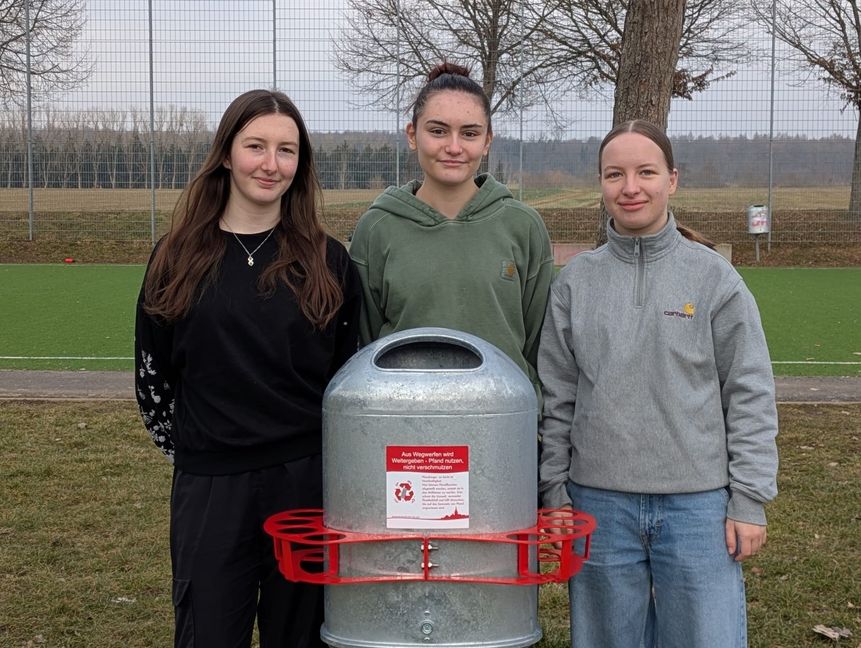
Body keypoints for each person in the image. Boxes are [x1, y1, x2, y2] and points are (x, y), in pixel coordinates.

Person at [538, 119, 779, 648]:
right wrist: (554, 491)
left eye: (646, 172)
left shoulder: (713, 278)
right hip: (598, 507)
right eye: (614, 174)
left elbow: (749, 391)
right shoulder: (575, 283)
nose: (630, 187)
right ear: (600, 184)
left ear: (672, 179)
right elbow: (557, 399)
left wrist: (749, 498)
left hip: (698, 509)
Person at [134, 89, 361, 648]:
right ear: (227, 153)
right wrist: (203, 450)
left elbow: (350, 378)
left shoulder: (329, 262)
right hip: (211, 487)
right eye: (256, 145)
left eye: (287, 150)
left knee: (304, 636)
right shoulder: (176, 256)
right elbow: (153, 379)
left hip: (306, 486)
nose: (270, 163)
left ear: (300, 164)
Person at [349, 62, 554, 395]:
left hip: (501, 423)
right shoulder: (376, 229)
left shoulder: (523, 227)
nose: (454, 147)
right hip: (405, 428)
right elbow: (369, 341)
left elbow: (537, 344)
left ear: (487, 140)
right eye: (438, 130)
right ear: (413, 135)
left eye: (470, 133)